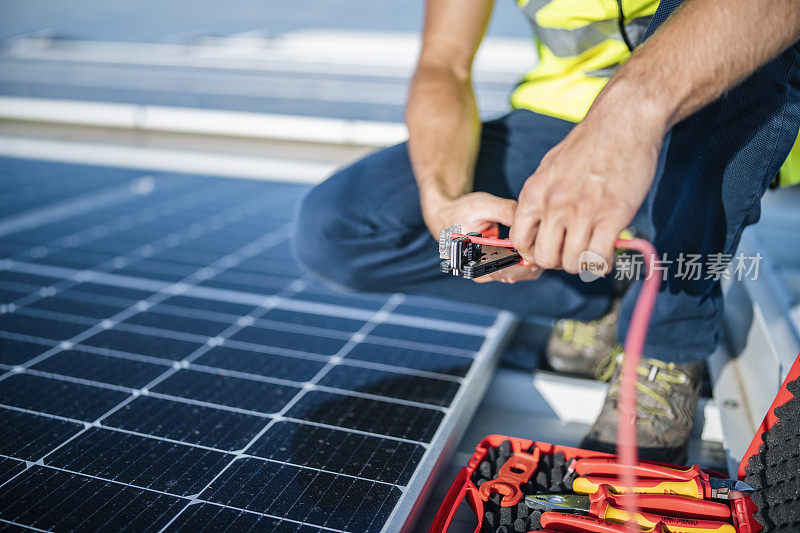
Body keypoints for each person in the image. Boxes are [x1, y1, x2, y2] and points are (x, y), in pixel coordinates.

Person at [294, 0, 800, 463]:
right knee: (339, 230)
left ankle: (665, 349)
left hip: (714, 110)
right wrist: (442, 203)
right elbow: (442, 64)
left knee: (742, 67)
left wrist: (628, 114)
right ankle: (600, 290)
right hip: (563, 121)